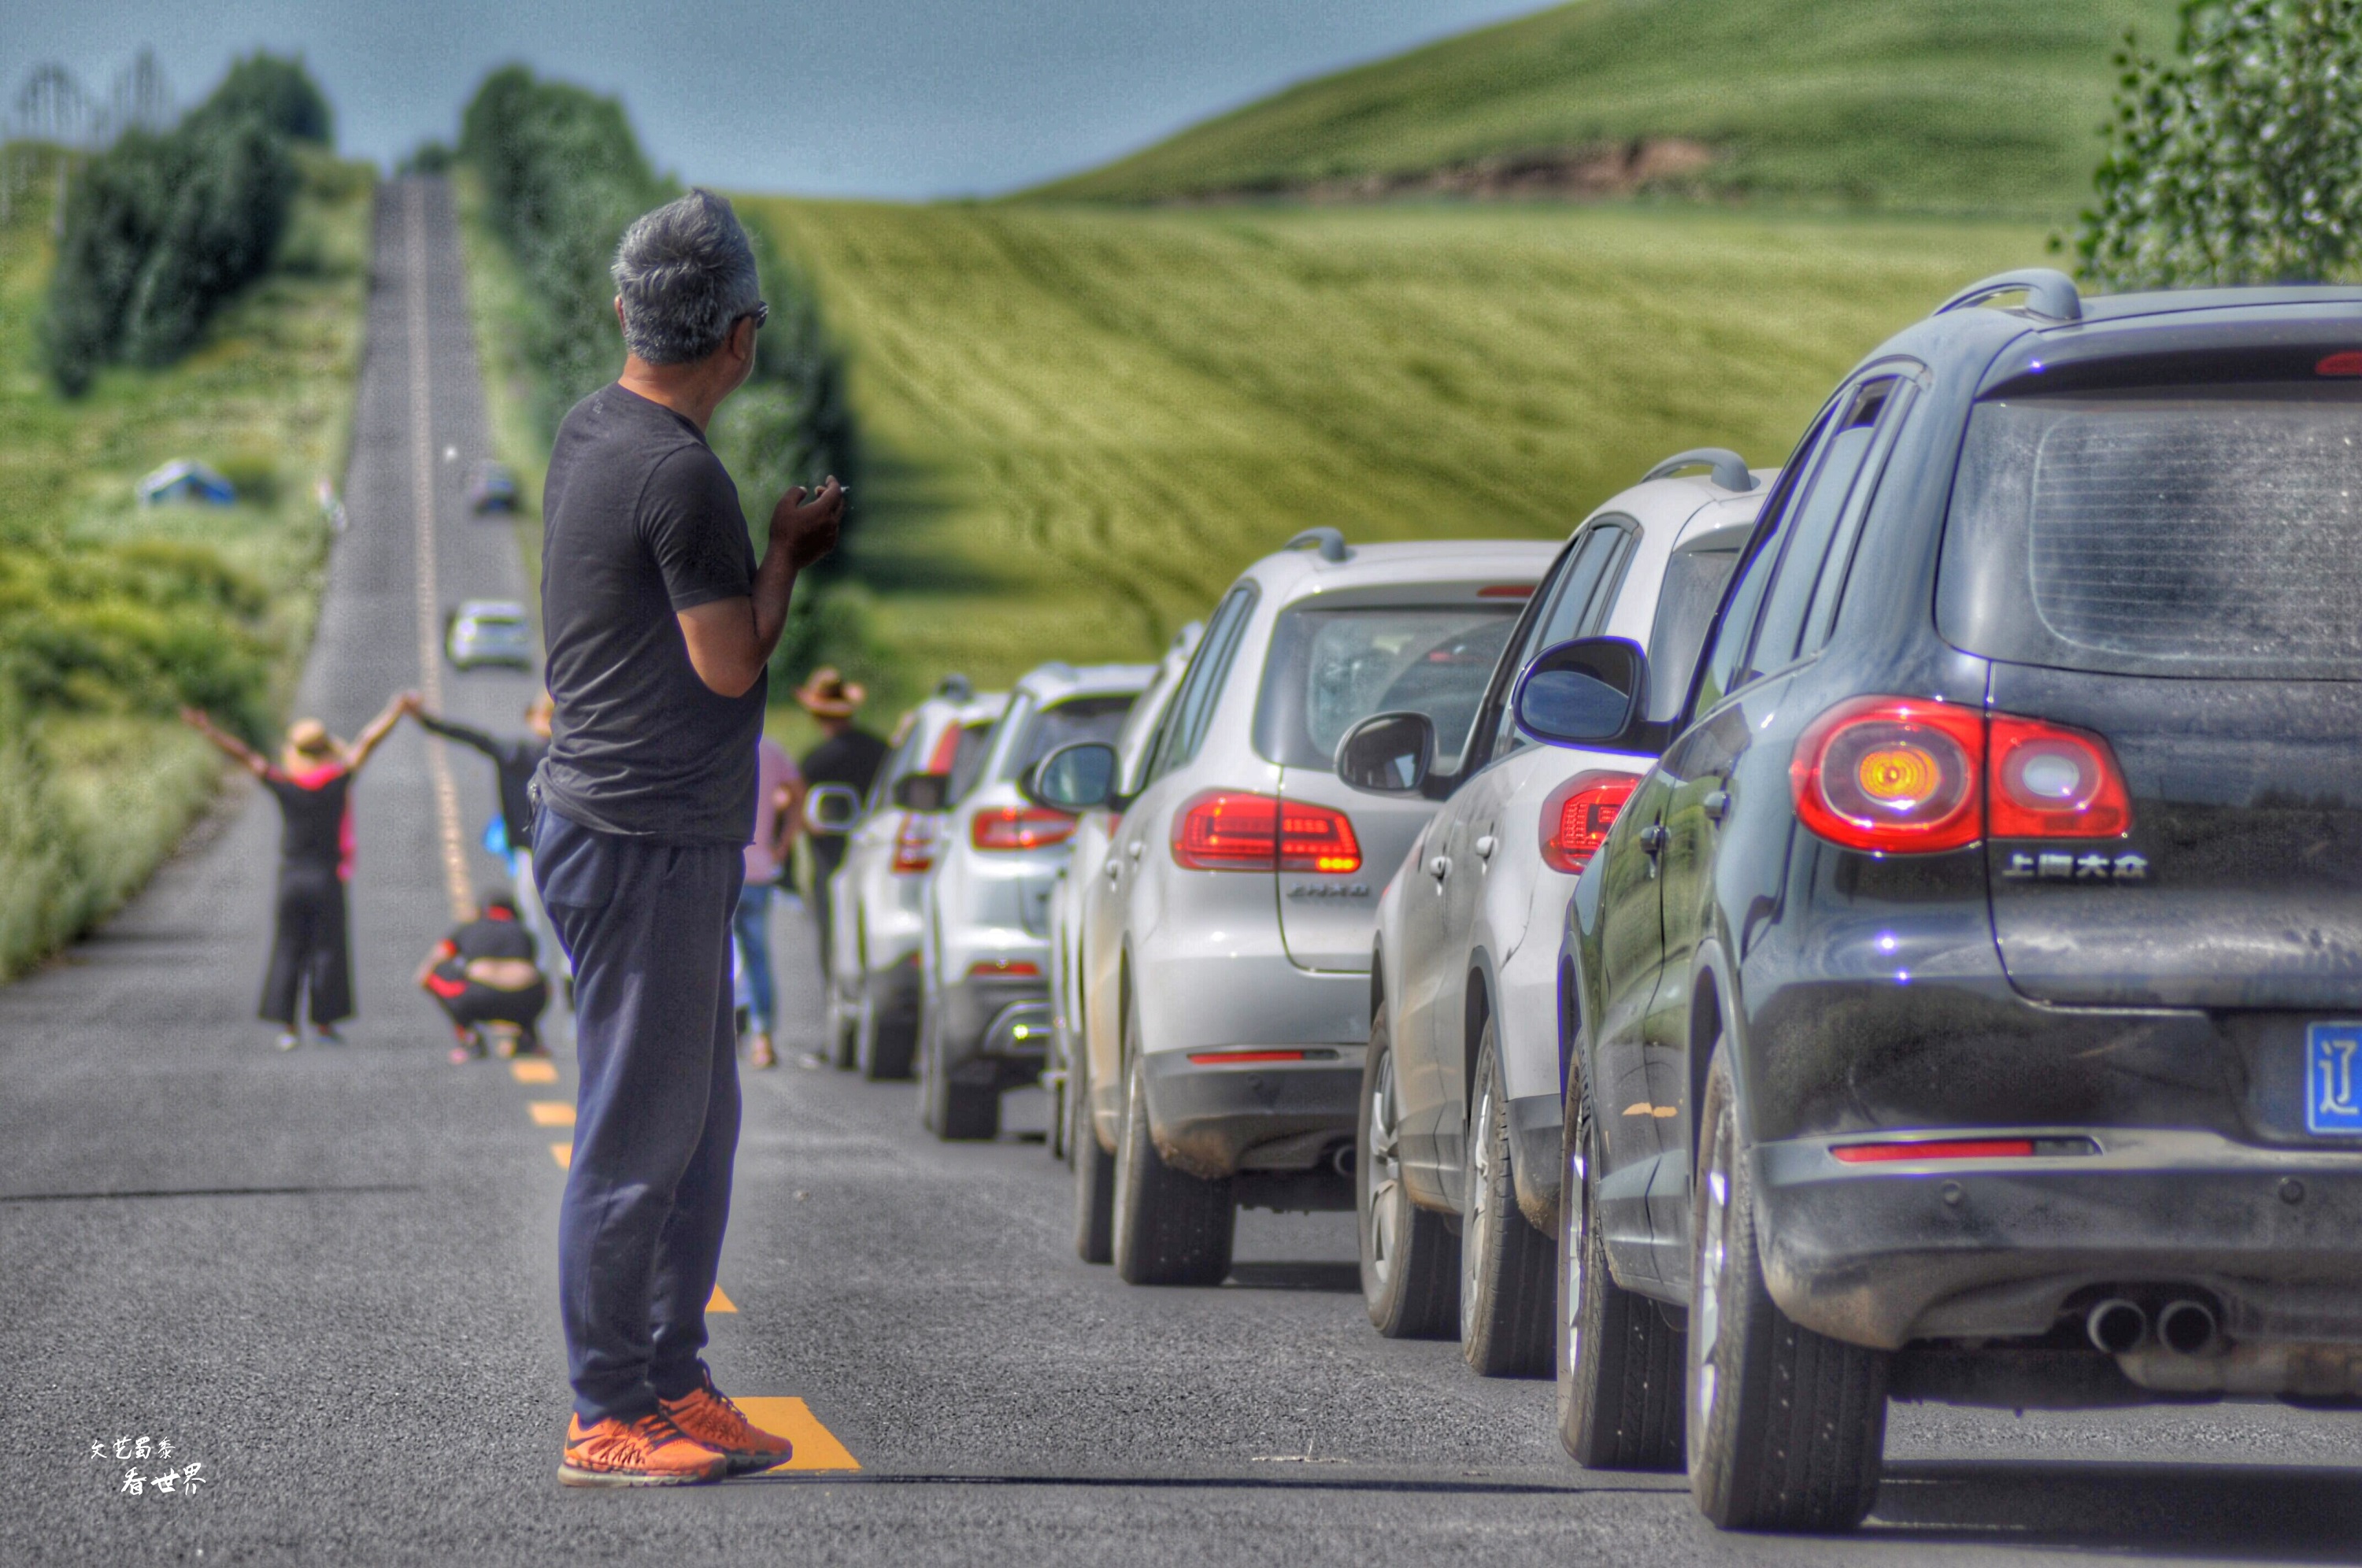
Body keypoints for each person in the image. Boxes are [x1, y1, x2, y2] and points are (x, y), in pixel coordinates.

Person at [531, 187, 842, 1487]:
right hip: (645, 833)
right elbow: (729, 666)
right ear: (744, 336)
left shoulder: (591, 430)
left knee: (695, 1126)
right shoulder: (681, 475)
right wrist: (786, 553)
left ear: (623, 310)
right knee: (636, 1130)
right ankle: (606, 1404)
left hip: (631, 828)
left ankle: (672, 1375)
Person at [181, 695, 409, 1052]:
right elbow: (367, 741)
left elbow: (245, 755)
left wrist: (208, 730)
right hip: (327, 878)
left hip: (292, 878)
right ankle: (324, 1025)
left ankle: (288, 1027)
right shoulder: (338, 781)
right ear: (326, 751)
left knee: (288, 948)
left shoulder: (285, 786)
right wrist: (395, 711)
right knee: (328, 949)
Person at [409, 693, 569, 989]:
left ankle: (537, 998)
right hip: (567, 856)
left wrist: (425, 721)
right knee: (568, 936)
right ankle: (570, 1003)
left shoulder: (514, 754)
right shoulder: (571, 758)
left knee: (538, 932)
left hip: (532, 856)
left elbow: (472, 738)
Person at [793, 668, 889, 981]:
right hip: (876, 851)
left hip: (829, 856)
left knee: (830, 929)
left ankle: (836, 989)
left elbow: (798, 811)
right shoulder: (881, 751)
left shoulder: (815, 761)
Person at [416, 889, 550, 1063]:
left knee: (436, 974)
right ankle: (527, 1037)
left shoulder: (469, 928)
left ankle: (469, 1038)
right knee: (539, 980)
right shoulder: (524, 932)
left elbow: (430, 966)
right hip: (527, 1000)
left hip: (480, 998)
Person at [733, 736, 801, 1070]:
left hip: (719, 868)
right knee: (757, 957)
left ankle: (721, 1033)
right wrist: (783, 846)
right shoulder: (771, 750)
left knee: (713, 958)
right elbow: (798, 793)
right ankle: (763, 1038)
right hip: (759, 869)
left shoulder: (713, 737)